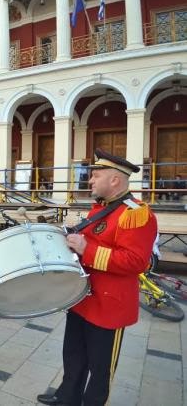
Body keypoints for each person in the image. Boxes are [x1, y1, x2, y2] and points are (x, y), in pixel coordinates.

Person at [37, 148, 157, 406]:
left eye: (96, 175)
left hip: (109, 307)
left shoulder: (135, 214)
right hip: (82, 299)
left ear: (115, 180)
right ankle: (67, 398)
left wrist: (85, 248)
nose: (89, 180)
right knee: (73, 355)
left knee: (100, 370)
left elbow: (136, 262)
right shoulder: (100, 209)